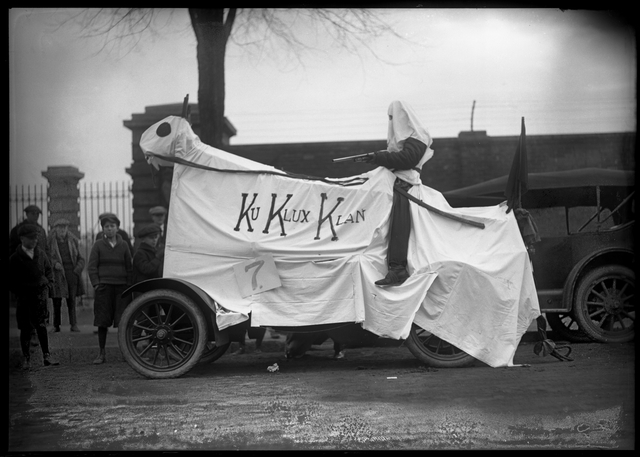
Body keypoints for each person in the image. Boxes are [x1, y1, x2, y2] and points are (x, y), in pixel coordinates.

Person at [366, 100, 434, 286]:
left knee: (400, 220)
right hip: (396, 182)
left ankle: (398, 269)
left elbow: (407, 159)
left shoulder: (418, 135)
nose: (391, 121)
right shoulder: (405, 139)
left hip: (408, 187)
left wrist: (380, 157)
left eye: (392, 117)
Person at [9, 224, 60, 369]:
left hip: (39, 298)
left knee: (41, 326)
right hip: (24, 299)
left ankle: (46, 356)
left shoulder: (41, 254)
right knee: (25, 329)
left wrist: (48, 285)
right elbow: (11, 281)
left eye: (36, 238)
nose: (34, 241)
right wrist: (19, 292)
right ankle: (27, 359)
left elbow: (49, 271)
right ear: (22, 239)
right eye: (31, 238)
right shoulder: (14, 258)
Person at [87, 213, 133, 364]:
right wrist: (97, 284)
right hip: (104, 288)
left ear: (118, 228)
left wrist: (128, 284)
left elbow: (129, 266)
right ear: (103, 229)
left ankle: (126, 354)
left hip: (121, 289)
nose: (110, 229)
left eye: (112, 226)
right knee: (102, 320)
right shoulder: (98, 245)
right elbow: (92, 267)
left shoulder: (124, 245)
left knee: (123, 321)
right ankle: (101, 353)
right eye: (106, 227)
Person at [47, 218, 85, 332]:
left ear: (67, 228)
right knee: (56, 300)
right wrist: (54, 264)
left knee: (72, 300)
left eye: (64, 227)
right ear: (55, 229)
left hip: (71, 273)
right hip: (58, 274)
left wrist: (76, 271)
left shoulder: (74, 241)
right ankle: (56, 325)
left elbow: (81, 259)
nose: (62, 229)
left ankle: (73, 325)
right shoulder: (51, 242)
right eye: (59, 227)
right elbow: (47, 257)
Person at [148, 206, 167, 275]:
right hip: (153, 262)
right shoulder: (147, 231)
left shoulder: (170, 229)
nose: (160, 218)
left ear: (165, 216)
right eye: (157, 215)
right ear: (152, 217)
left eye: (161, 215)